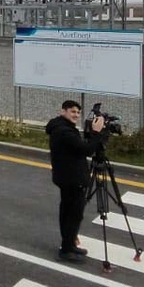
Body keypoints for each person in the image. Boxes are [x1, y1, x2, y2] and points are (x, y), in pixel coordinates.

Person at [45, 100, 105, 263]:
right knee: (74, 214)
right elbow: (87, 150)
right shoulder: (65, 131)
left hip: (65, 177)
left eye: (78, 112)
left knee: (67, 211)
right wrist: (96, 132)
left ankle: (69, 243)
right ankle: (66, 249)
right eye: (72, 112)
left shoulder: (59, 127)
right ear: (63, 111)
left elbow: (78, 148)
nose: (76, 115)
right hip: (72, 178)